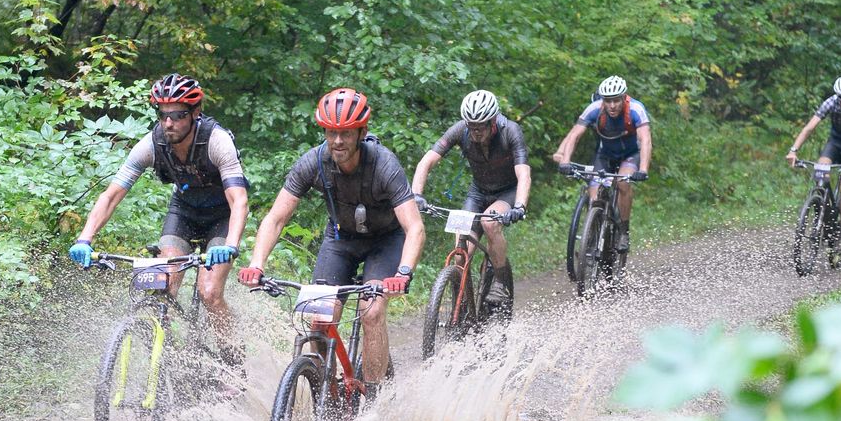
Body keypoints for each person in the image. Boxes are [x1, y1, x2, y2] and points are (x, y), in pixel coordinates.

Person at [238, 88, 424, 392]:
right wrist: (257, 264)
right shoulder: (312, 162)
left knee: (372, 310)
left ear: (361, 133)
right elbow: (276, 218)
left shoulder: (384, 165)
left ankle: (374, 399)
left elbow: (414, 227)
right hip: (341, 239)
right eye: (332, 132)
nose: (338, 141)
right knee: (320, 316)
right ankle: (327, 390)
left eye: (346, 133)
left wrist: (403, 273)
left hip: (386, 240)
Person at [68, 73, 249, 359]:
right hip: (184, 212)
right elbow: (112, 195)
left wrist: (231, 245)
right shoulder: (151, 144)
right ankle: (172, 360)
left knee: (209, 291)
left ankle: (233, 359)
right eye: (163, 115)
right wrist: (85, 238)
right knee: (162, 283)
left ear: (195, 113)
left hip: (221, 217)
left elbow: (239, 200)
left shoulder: (217, 141)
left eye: (177, 115)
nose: (168, 123)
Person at [410, 89, 530, 305]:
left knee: (489, 223)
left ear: (493, 120)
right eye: (471, 126)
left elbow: (523, 173)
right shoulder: (460, 130)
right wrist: (416, 195)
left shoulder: (511, 131)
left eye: (481, 126)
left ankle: (501, 282)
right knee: (460, 255)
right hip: (478, 192)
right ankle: (462, 306)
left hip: (506, 192)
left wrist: (520, 206)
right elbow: (426, 162)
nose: (475, 132)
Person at [552, 75, 651, 252]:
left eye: (616, 100)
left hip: (630, 154)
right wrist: (565, 161)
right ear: (602, 100)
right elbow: (574, 135)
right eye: (607, 101)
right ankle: (593, 232)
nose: (612, 105)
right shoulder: (594, 109)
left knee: (622, 183)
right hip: (605, 155)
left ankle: (623, 231)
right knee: (595, 195)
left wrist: (643, 169)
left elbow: (645, 140)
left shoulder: (636, 109)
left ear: (624, 97)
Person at [785, 74, 841, 247]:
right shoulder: (831, 102)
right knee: (821, 174)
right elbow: (809, 128)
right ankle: (821, 211)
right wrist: (793, 151)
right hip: (835, 143)